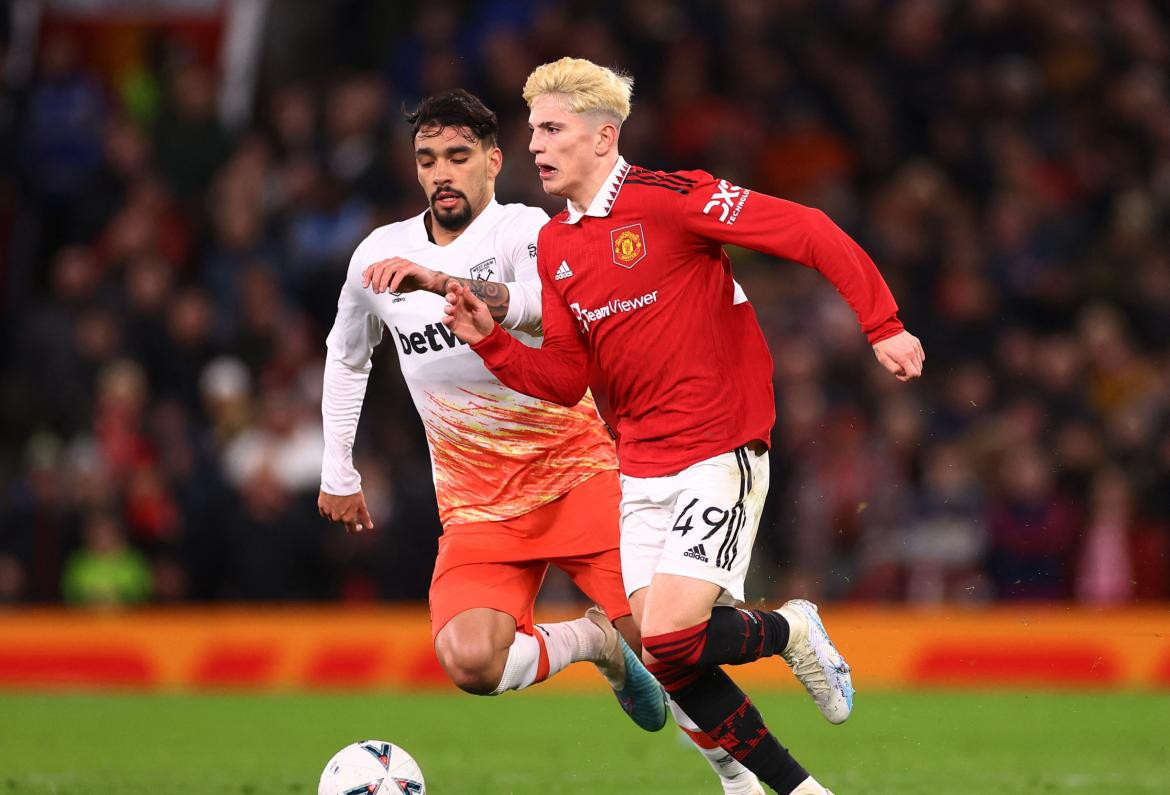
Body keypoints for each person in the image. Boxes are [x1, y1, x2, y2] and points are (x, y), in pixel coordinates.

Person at [443, 58, 925, 795]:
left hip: (718, 446)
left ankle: (792, 628)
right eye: (531, 128)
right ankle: (801, 789)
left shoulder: (673, 199)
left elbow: (808, 229)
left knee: (667, 634)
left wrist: (882, 324)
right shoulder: (559, 247)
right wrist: (491, 340)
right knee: (669, 657)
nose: (534, 144)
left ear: (604, 137)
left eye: (551, 128)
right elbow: (565, 379)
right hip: (639, 467)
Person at [327, 88, 773, 795]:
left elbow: (542, 311)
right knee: (471, 662)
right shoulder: (379, 254)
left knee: (666, 643)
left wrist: (444, 283)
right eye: (426, 159)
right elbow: (347, 353)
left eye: (457, 156)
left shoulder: (532, 234)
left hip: (580, 474)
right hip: (478, 507)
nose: (441, 171)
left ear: (493, 162)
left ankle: (738, 776)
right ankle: (589, 641)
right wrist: (337, 469)